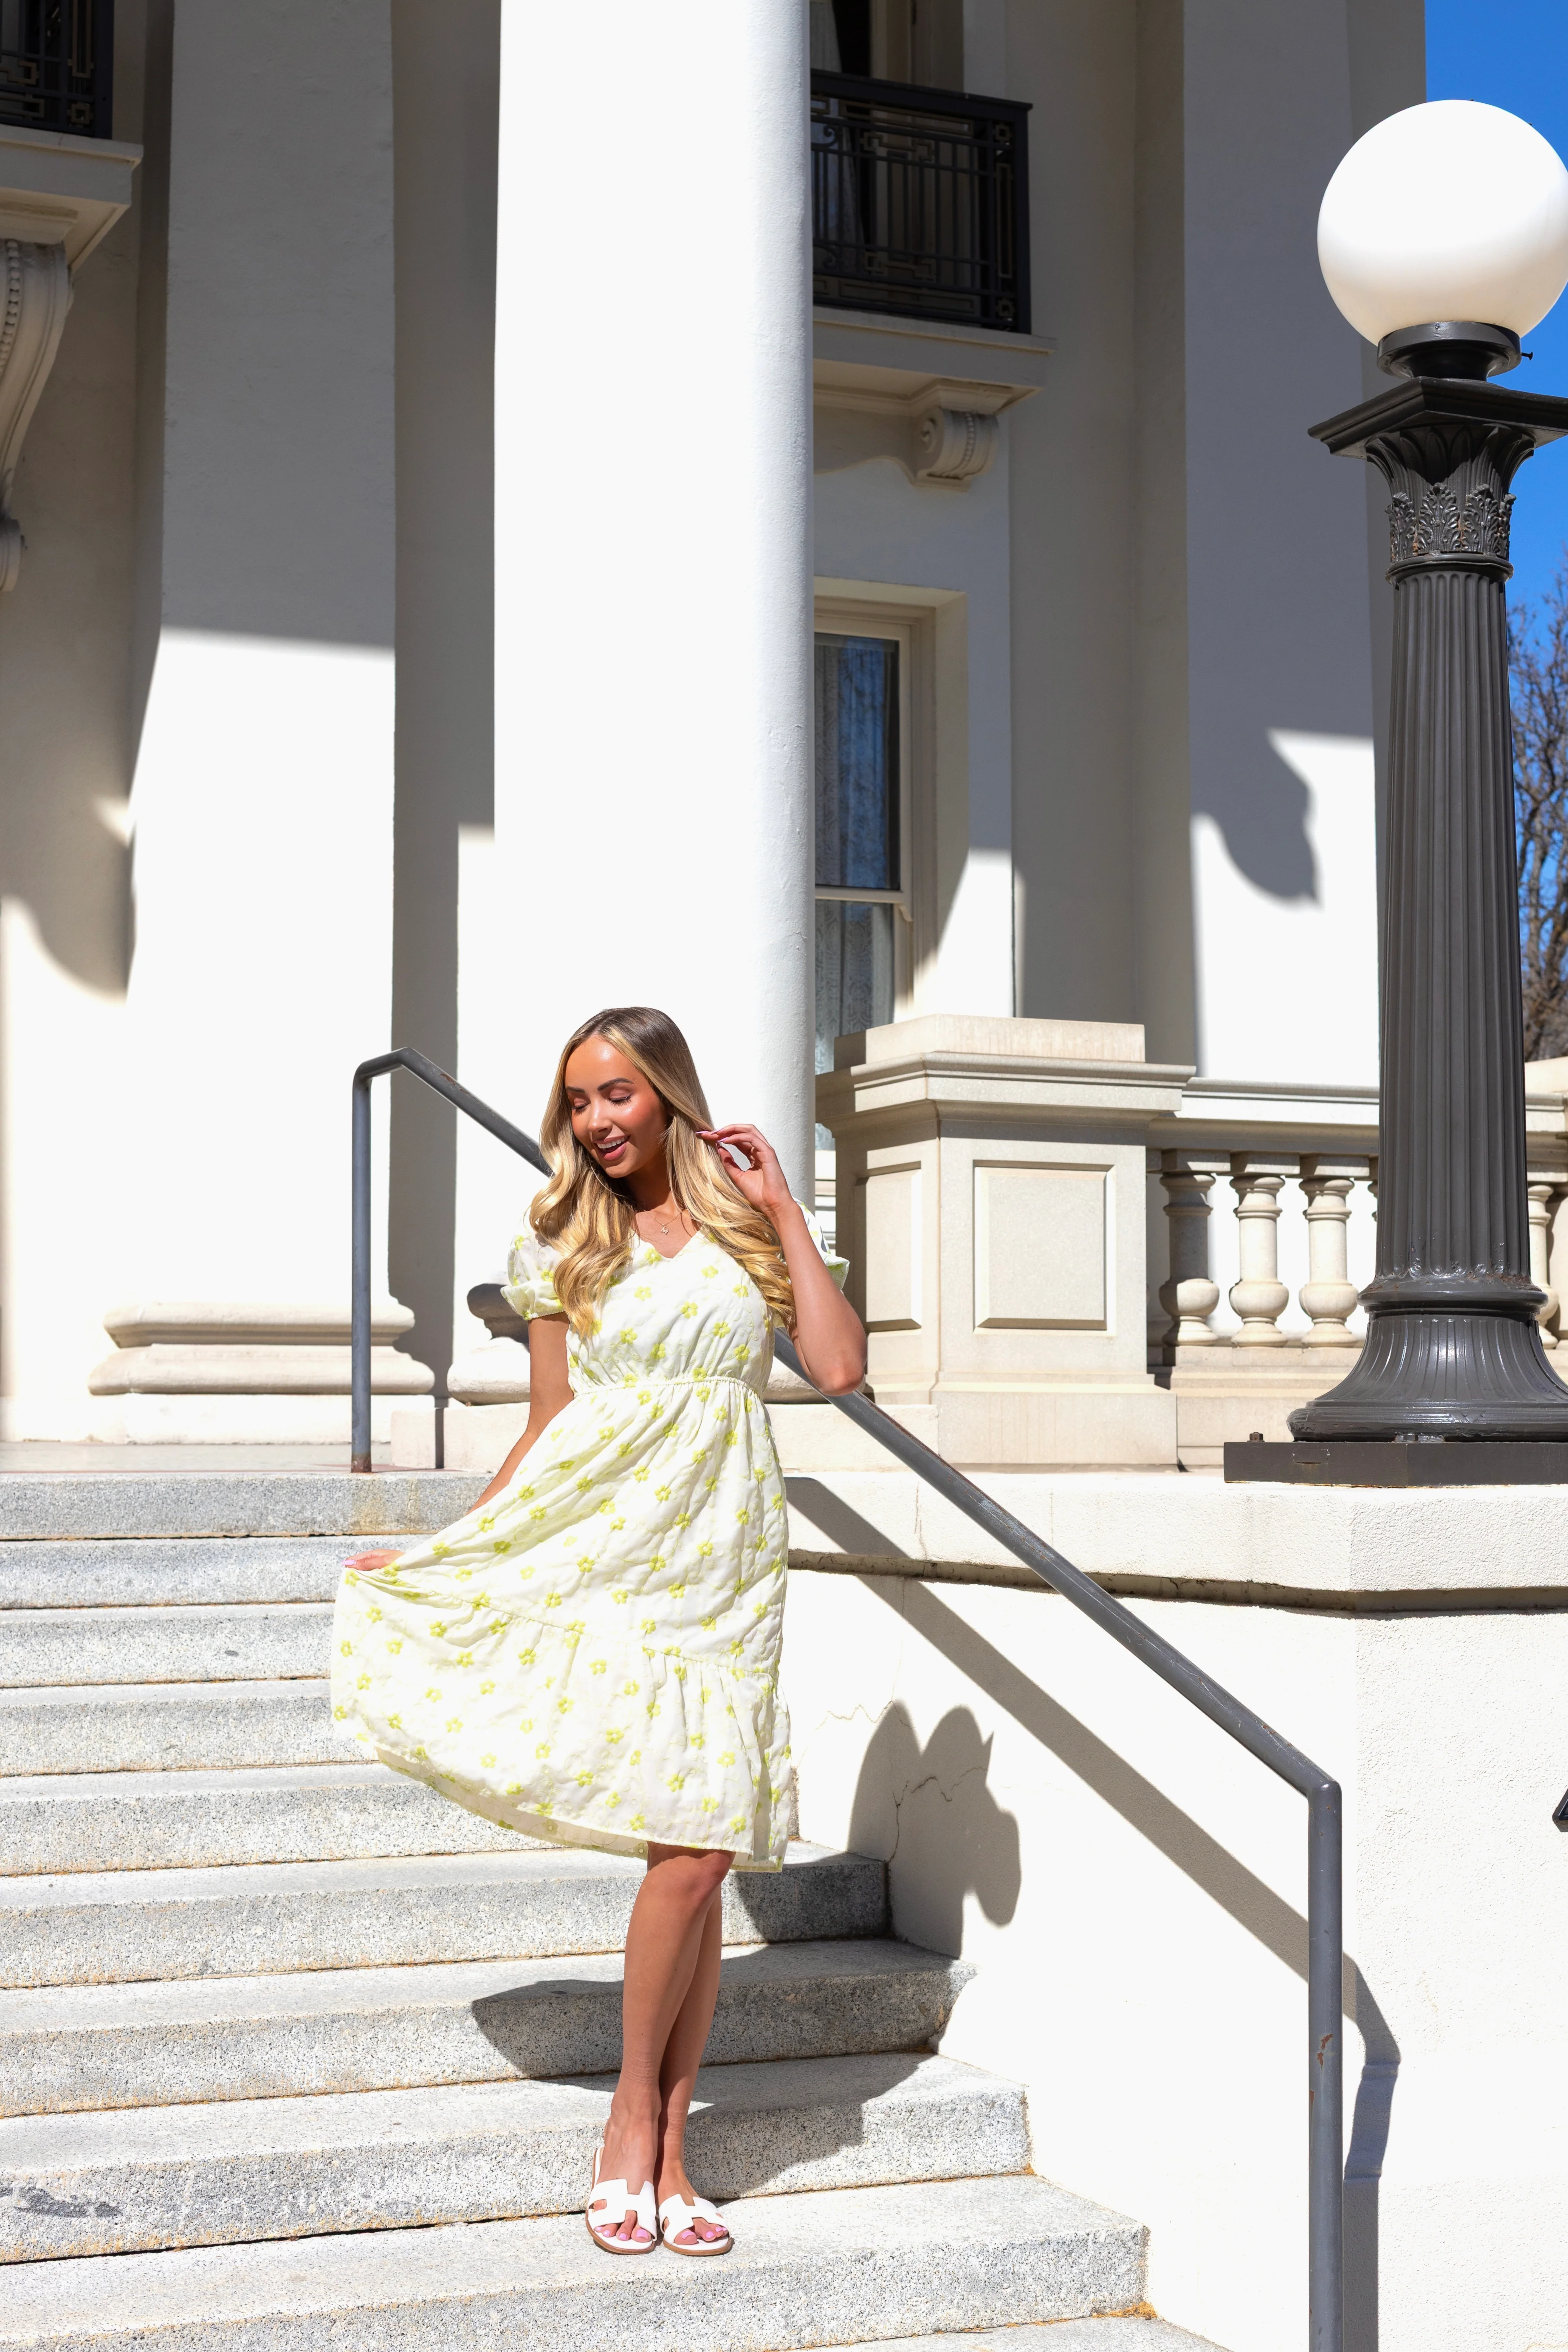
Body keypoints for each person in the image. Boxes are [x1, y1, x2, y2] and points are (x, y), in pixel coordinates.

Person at [333, 1005, 866, 2257]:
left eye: (616, 1095)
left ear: (667, 1094)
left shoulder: (742, 1229)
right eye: (578, 1101)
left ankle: (676, 2148)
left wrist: (787, 1206)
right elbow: (547, 1424)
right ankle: (636, 2120)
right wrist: (444, 1553)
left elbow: (837, 1369)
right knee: (679, 1853)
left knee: (705, 1854)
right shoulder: (564, 1240)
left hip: (728, 1555)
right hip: (614, 1546)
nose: (596, 1123)